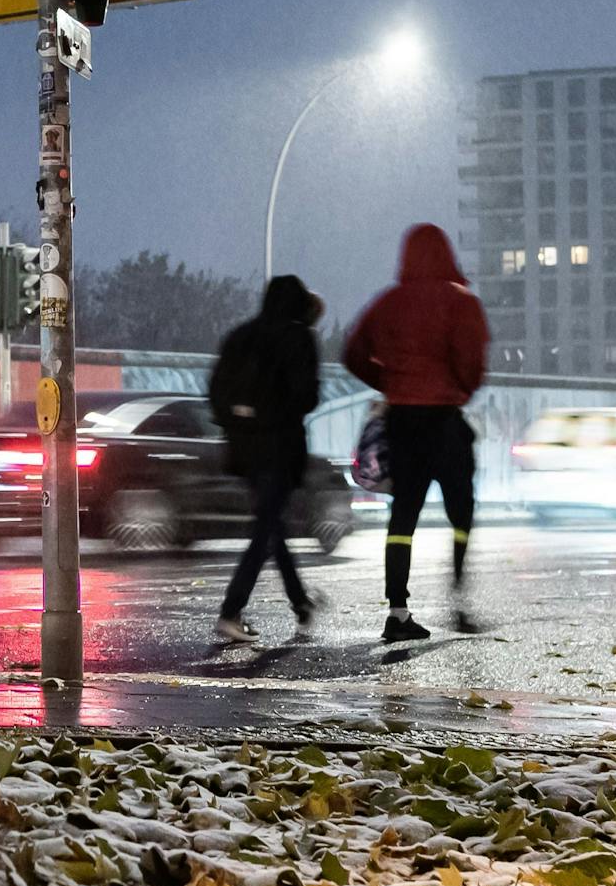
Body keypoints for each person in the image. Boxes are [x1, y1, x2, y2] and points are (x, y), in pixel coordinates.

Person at [342, 224, 489, 643]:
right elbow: (472, 363)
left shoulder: (387, 302)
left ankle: (398, 611)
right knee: (461, 511)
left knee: (403, 516)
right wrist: (459, 388)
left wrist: (390, 382)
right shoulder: (461, 302)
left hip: (402, 422)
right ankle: (458, 600)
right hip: (444, 421)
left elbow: (352, 353)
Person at [208, 274, 323, 644]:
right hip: (280, 446)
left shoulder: (241, 336)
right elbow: (306, 396)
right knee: (265, 529)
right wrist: (276, 416)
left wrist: (240, 423)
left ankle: (301, 603)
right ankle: (231, 610)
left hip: (243, 449)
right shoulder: (299, 337)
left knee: (271, 525)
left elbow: (215, 391)